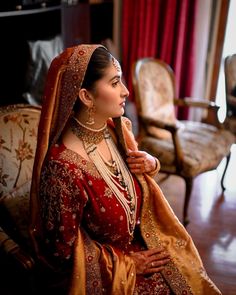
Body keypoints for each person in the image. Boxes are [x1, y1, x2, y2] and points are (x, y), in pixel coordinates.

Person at [30, 44, 221, 294]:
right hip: (108, 273)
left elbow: (134, 183)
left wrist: (152, 163)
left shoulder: (114, 130)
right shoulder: (63, 169)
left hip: (141, 242)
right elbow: (59, 256)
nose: (126, 91)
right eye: (114, 83)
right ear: (86, 97)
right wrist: (127, 264)